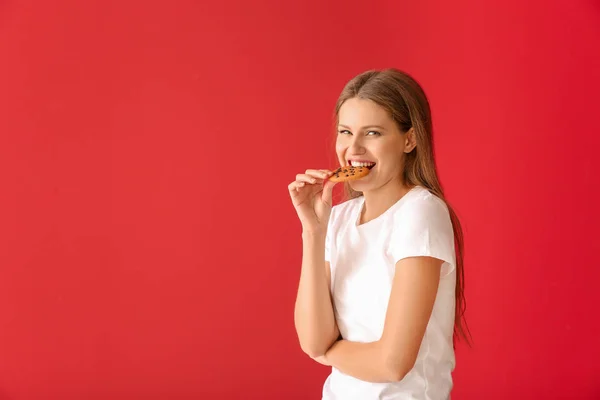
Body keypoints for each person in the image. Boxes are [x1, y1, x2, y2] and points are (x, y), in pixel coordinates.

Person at [288, 68, 470, 400]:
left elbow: (392, 364)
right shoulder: (338, 219)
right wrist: (313, 232)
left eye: (372, 133)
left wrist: (327, 353)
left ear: (409, 140)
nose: (353, 148)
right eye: (345, 131)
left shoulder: (420, 213)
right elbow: (313, 339)